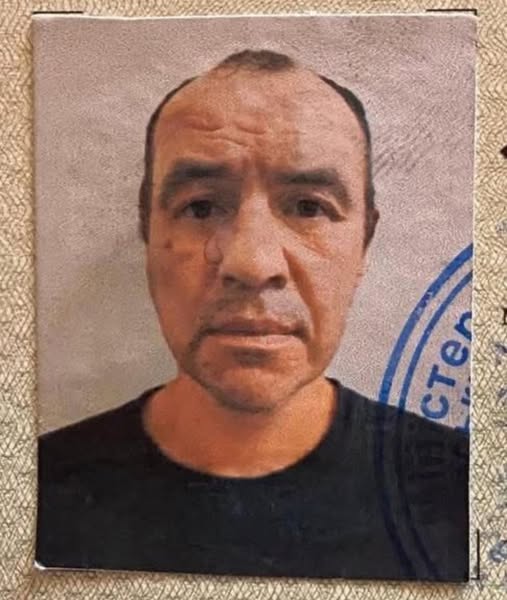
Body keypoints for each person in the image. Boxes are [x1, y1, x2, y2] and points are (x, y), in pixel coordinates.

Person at [36, 50, 468, 581]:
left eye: (308, 207)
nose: (253, 263)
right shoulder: (34, 492)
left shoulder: (465, 493)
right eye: (200, 207)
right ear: (147, 229)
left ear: (364, 241)